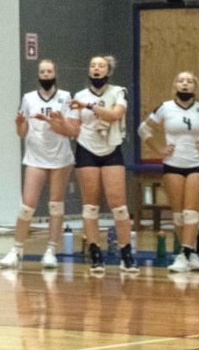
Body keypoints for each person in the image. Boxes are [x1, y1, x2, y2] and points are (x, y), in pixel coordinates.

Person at [48, 55, 137, 274]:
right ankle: (95, 252)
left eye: (101, 66)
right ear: (89, 71)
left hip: (111, 149)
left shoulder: (118, 92)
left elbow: (116, 114)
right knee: (90, 205)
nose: (96, 69)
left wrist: (88, 105)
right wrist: (57, 124)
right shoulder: (79, 96)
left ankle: (126, 252)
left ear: (108, 71)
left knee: (119, 205)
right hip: (87, 149)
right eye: (93, 66)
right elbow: (74, 130)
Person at [138, 72, 199, 273]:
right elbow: (143, 130)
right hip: (173, 164)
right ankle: (192, 254)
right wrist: (158, 149)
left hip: (197, 164)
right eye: (181, 81)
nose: (185, 84)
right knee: (178, 215)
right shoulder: (165, 107)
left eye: (189, 81)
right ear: (175, 85)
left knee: (190, 212)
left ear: (195, 87)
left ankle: (183, 254)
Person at [0, 60, 74, 269]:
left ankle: (51, 250)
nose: (46, 74)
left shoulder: (65, 97)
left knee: (55, 205)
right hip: (35, 157)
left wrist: (54, 122)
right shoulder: (28, 98)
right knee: (27, 207)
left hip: (60, 158)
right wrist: (19, 125)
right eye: (42, 71)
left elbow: (69, 130)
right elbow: (22, 133)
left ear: (55, 73)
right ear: (38, 75)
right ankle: (17, 250)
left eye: (49, 71)